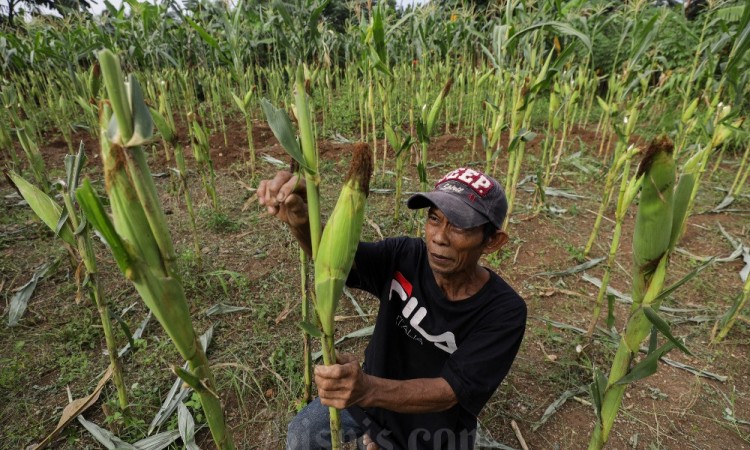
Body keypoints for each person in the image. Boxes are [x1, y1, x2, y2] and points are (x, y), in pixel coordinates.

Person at [258, 167, 527, 450]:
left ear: (493, 241)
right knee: (302, 434)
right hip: (367, 400)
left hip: (431, 429)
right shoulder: (405, 256)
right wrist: (302, 220)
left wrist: (366, 389)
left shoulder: (503, 311)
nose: (439, 237)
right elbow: (336, 261)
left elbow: (450, 392)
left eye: (459, 225)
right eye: (434, 218)